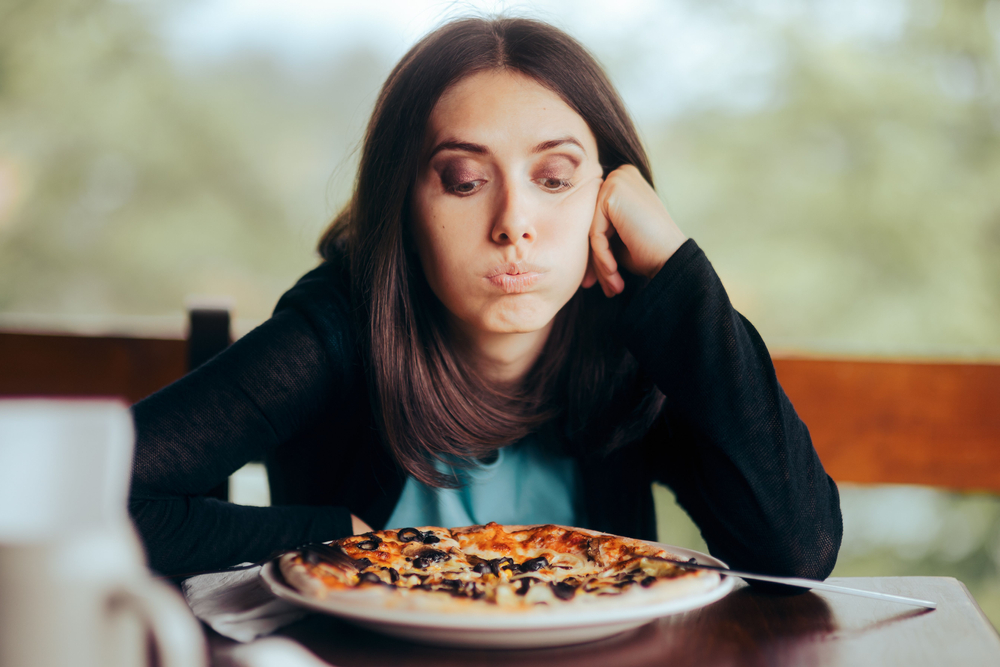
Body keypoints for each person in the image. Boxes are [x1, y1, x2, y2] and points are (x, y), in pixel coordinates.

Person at [129, 17, 842, 580]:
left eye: (556, 178)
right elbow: (86, 496)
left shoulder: (634, 343)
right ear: (401, 205)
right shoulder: (334, 334)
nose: (513, 224)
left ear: (609, 192)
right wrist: (327, 539)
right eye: (466, 181)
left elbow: (798, 551)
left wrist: (677, 269)